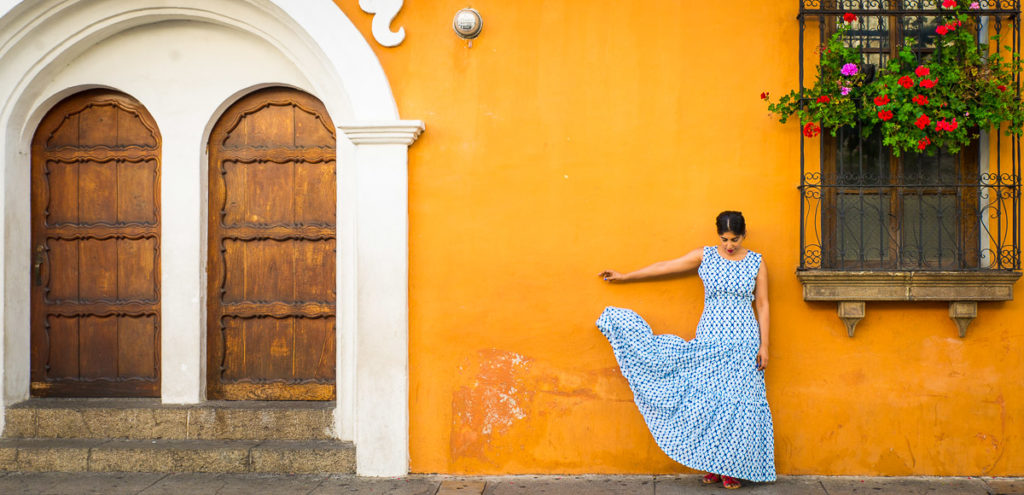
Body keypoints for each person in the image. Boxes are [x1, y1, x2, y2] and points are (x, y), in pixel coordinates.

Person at [596, 210, 775, 489]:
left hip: (743, 340)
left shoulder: (756, 262)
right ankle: (715, 465)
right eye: (725, 238)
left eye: (735, 239)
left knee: (737, 401)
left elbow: (762, 304)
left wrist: (764, 345)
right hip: (711, 336)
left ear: (744, 235)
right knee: (710, 401)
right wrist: (626, 276)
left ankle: (731, 467)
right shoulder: (705, 256)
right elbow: (666, 266)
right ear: (718, 235)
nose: (729, 245)